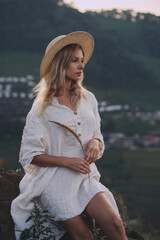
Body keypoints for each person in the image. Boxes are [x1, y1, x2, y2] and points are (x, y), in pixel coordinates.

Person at [11, 31, 128, 240]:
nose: (81, 65)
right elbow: (29, 156)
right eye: (75, 60)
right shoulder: (42, 108)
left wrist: (95, 142)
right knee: (83, 236)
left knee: (115, 224)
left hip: (85, 176)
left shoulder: (88, 99)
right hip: (53, 180)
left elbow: (97, 135)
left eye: (82, 60)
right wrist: (68, 162)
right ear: (60, 63)